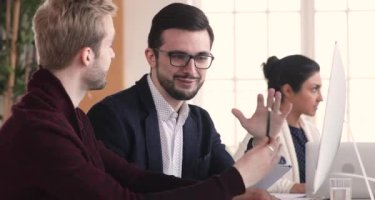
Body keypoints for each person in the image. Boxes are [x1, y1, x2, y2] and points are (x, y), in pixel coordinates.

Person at [0, 0, 289, 199]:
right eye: (110, 45)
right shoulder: (42, 130)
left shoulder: (67, 118)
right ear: (87, 55)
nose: (113, 54)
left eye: (201, 57)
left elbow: (136, 179)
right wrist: (234, 181)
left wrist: (231, 191)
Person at [234, 55, 323, 193]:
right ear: (287, 90)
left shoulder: (313, 132)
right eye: (314, 89)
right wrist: (297, 188)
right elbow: (238, 178)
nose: (320, 98)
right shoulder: (262, 131)